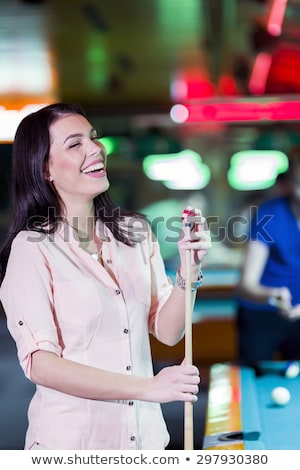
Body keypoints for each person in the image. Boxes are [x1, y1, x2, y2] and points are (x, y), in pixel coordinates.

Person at [0, 103, 211, 450]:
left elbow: (169, 331)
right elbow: (41, 365)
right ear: (45, 169)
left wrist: (190, 269)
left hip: (146, 442)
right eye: (74, 144)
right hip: (74, 446)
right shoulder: (32, 249)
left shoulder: (136, 232)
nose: (95, 149)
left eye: (93, 138)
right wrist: (149, 387)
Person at [236, 145, 300, 364]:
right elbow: (247, 284)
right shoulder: (268, 213)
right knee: (254, 372)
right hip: (261, 314)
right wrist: (273, 295)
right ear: (290, 184)